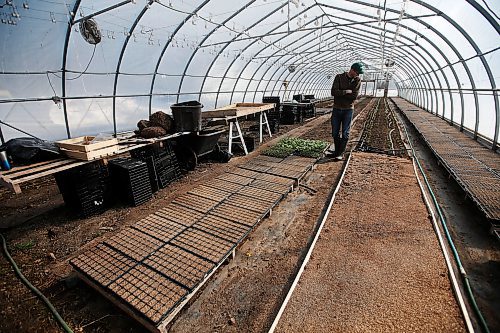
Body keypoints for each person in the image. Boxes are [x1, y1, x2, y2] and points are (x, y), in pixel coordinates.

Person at [328, 62, 364, 160]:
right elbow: (333, 92)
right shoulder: (339, 77)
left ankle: (340, 153)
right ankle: (336, 151)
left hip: (348, 110)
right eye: (357, 72)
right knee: (335, 132)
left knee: (345, 133)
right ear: (352, 70)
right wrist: (345, 91)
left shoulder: (357, 80)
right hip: (336, 109)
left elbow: (354, 96)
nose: (358, 74)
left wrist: (340, 92)